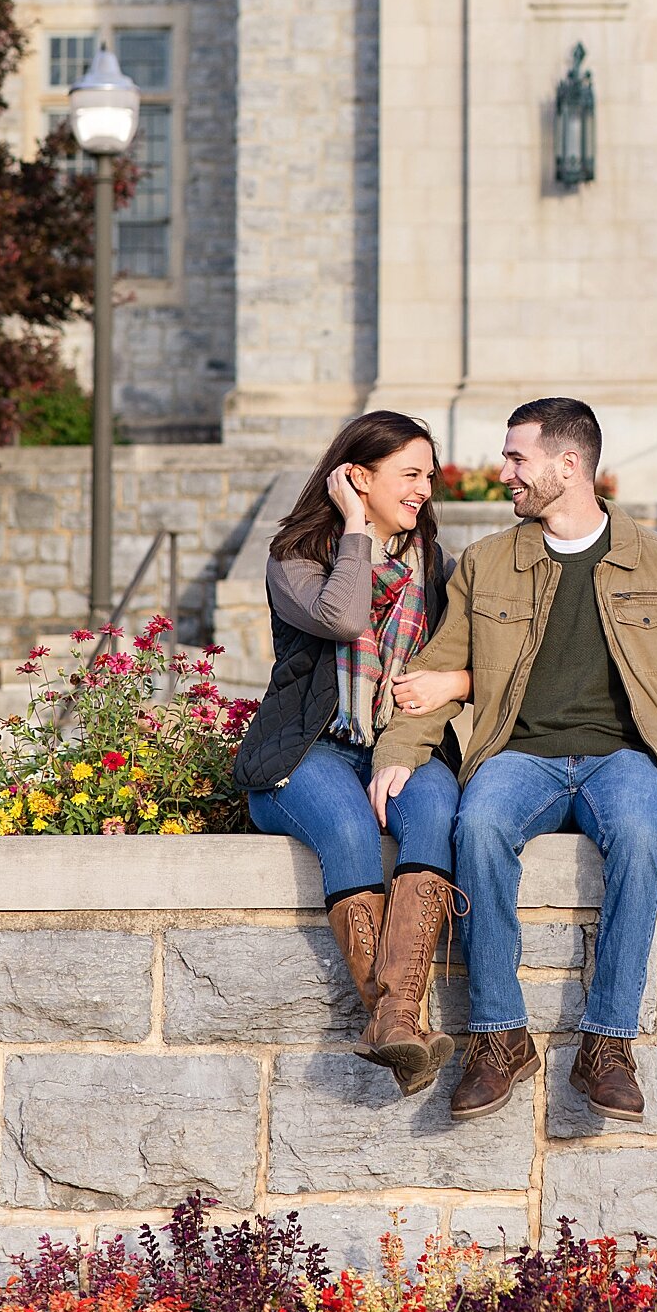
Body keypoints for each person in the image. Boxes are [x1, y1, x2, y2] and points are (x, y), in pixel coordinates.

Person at [373, 395, 657, 1121]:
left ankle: (608, 1045)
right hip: (519, 753)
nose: (504, 472)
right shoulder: (487, 563)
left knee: (641, 831)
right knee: (481, 827)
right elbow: (438, 669)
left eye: (517, 457)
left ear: (569, 465)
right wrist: (399, 754)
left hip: (623, 757)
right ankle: (498, 1038)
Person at [232, 410, 471, 1094]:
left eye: (429, 475)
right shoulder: (296, 555)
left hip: (399, 742)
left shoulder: (433, 565)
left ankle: (394, 1022)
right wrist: (358, 530)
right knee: (347, 829)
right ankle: (398, 1021)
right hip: (309, 753)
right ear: (356, 477)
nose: (425, 488)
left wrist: (456, 681)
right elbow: (342, 616)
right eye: (410, 474)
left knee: (435, 814)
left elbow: (476, 654)